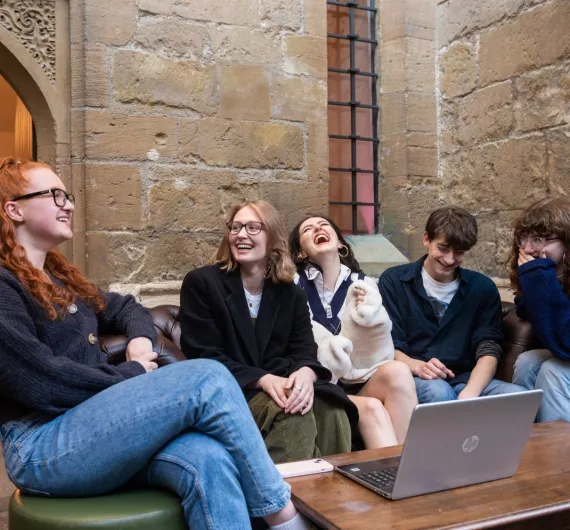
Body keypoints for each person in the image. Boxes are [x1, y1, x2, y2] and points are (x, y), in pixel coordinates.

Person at [0, 157, 311, 530]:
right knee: (207, 377)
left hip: (89, 431)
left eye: (67, 195)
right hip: (40, 447)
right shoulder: (5, 286)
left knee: (209, 457)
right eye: (54, 194)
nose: (67, 204)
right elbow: (44, 381)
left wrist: (140, 341)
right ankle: (283, 516)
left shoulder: (62, 279)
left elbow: (127, 308)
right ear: (13, 209)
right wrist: (132, 373)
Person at [180, 200, 358, 464]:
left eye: (253, 228)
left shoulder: (291, 294)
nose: (241, 234)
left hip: (278, 387)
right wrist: (262, 379)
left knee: (331, 406)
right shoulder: (203, 283)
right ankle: (281, 501)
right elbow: (204, 356)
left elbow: (304, 350)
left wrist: (306, 374)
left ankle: (333, 498)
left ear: (273, 238)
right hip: (230, 394)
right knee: (289, 410)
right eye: (236, 227)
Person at [289, 215, 417, 448]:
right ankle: (395, 476)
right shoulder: (292, 285)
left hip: (360, 378)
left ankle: (410, 468)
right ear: (301, 253)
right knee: (373, 408)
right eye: (308, 229)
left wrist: (370, 320)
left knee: (398, 371)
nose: (318, 227)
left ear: (340, 243)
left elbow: (380, 350)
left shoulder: (364, 284)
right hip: (319, 384)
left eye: (325, 225)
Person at [378, 206, 525, 404]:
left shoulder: (482, 288)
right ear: (426, 240)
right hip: (413, 378)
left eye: (459, 252)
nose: (449, 259)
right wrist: (418, 366)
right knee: (439, 392)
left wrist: (469, 395)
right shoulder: (394, 282)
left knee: (519, 397)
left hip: (466, 380)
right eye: (443, 248)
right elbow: (386, 345)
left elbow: (489, 348)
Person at [510, 198, 570, 422]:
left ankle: (557, 452)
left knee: (553, 371)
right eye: (524, 239)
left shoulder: (543, 274)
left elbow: (566, 343)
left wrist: (540, 278)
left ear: (567, 242)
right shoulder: (548, 272)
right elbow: (527, 312)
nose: (527, 248)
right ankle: (524, 438)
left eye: (538, 239)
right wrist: (537, 279)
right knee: (527, 363)